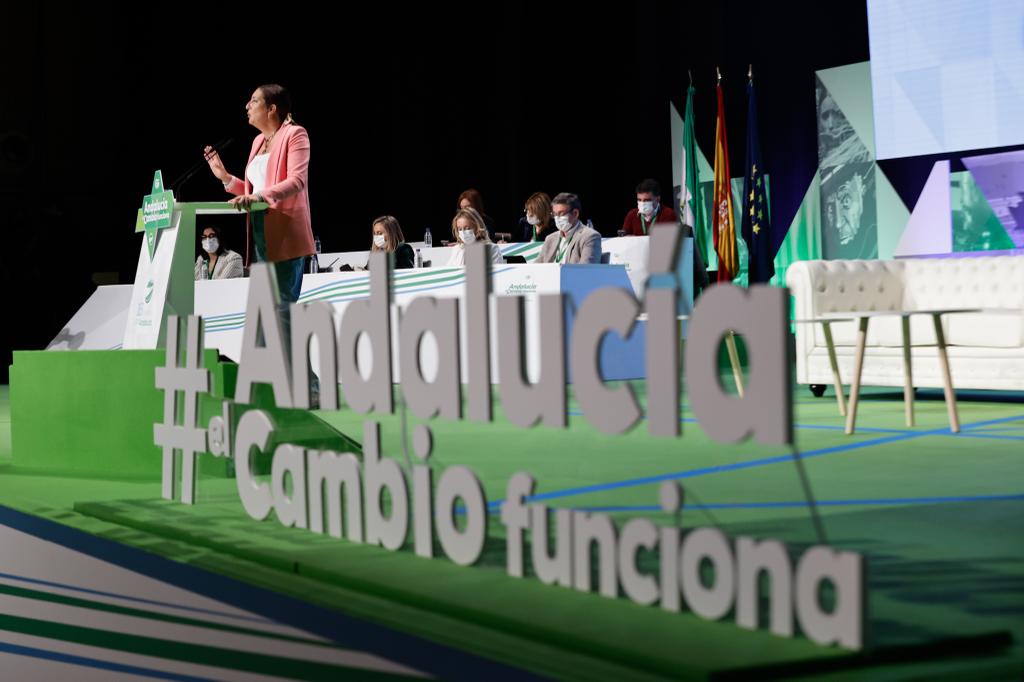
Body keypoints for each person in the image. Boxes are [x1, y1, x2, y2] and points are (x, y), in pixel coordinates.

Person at [204, 83, 313, 309]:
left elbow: (296, 181)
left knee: (281, 309)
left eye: (254, 101)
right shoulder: (258, 141)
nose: (247, 105)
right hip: (259, 233)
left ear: (272, 109)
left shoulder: (295, 134)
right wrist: (226, 178)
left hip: (285, 233)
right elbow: (254, 191)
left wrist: (259, 196)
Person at [537, 193, 602, 264]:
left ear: (575, 213)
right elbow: (536, 267)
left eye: (561, 214)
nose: (557, 218)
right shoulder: (550, 238)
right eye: (555, 214)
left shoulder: (590, 236)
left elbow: (586, 270)